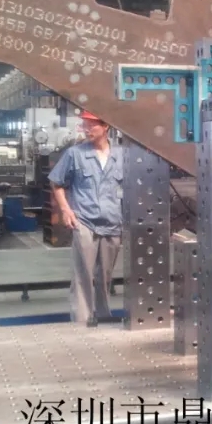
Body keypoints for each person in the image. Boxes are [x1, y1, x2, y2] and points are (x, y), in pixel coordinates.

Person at [48, 110, 125, 326]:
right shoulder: (75, 154)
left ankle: (102, 315)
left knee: (105, 276)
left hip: (112, 222)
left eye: (92, 125)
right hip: (85, 221)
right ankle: (82, 322)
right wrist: (66, 210)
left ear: (106, 126)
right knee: (83, 274)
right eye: (85, 125)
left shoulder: (122, 155)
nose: (87, 129)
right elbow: (56, 183)